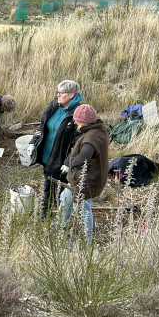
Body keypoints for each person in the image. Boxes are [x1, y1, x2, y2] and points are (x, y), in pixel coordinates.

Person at [28, 79, 83, 218]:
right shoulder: (54, 105)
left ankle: (52, 218)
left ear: (71, 95)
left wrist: (68, 161)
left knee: (58, 189)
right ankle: (47, 216)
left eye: (61, 93)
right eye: (57, 92)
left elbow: (78, 144)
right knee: (49, 186)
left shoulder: (78, 113)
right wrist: (33, 142)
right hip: (48, 155)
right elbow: (42, 126)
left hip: (61, 160)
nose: (58, 95)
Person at [59, 104, 109, 242]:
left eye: (77, 119)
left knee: (83, 210)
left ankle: (88, 240)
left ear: (84, 121)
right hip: (81, 179)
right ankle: (61, 228)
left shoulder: (91, 138)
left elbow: (85, 156)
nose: (74, 122)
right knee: (65, 199)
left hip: (85, 181)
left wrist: (70, 164)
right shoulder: (98, 131)